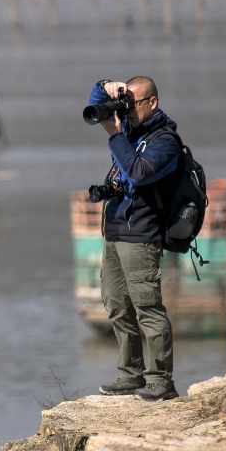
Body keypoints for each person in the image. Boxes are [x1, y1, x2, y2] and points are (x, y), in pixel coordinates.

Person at [89, 76, 180, 401]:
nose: (125, 111)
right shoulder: (129, 131)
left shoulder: (165, 141)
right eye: (124, 103)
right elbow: (95, 105)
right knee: (115, 304)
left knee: (147, 309)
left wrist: (115, 135)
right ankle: (131, 374)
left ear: (152, 103)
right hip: (114, 233)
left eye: (132, 103)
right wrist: (106, 87)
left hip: (141, 235)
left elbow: (137, 172)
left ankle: (161, 381)